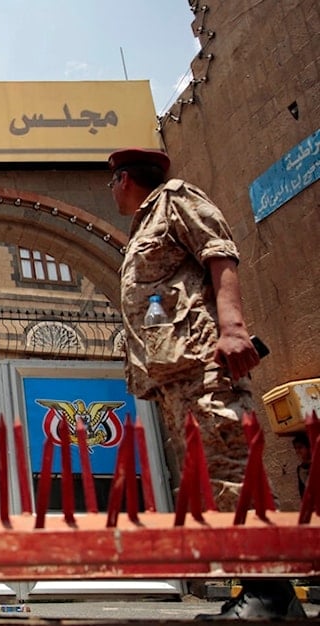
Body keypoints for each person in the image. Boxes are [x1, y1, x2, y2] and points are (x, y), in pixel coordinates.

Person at [109, 147, 306, 620]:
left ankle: (272, 593)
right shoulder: (142, 226)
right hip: (176, 375)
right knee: (217, 480)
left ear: (124, 180)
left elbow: (220, 253)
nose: (111, 190)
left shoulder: (175, 199)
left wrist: (234, 327)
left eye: (111, 182)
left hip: (204, 364)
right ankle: (259, 593)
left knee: (235, 470)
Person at [292, 432, 311, 498]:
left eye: (300, 447)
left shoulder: (316, 465)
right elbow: (302, 493)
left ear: (309, 448)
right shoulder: (300, 469)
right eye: (295, 448)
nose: (297, 451)